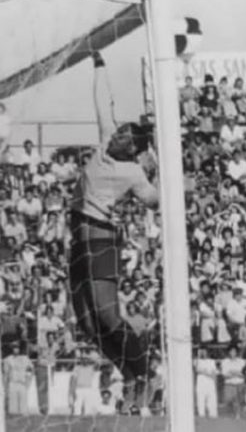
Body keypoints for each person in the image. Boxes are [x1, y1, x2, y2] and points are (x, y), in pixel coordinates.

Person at [69, 51, 159, 384]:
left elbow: (153, 201)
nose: (117, 136)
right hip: (77, 235)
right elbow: (102, 102)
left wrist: (162, 172)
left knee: (108, 317)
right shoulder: (106, 138)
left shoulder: (134, 173)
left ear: (133, 149)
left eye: (125, 137)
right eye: (120, 131)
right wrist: (100, 64)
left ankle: (149, 374)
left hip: (99, 235)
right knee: (88, 325)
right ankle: (131, 375)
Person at [2, 341, 33, 415]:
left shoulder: (25, 358)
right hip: (13, 383)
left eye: (17, 348)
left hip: (22, 383)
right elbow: (5, 373)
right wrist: (5, 385)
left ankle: (24, 417)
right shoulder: (8, 359)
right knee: (13, 407)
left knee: (24, 407)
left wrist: (28, 381)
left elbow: (30, 369)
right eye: (14, 348)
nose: (16, 350)